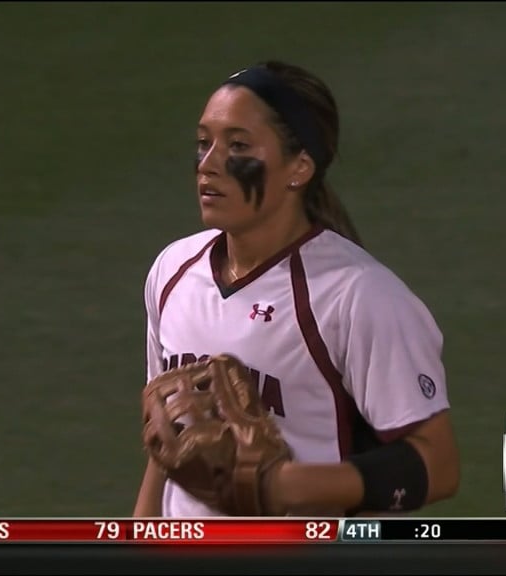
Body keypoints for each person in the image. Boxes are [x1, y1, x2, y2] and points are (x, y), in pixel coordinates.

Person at [133, 60, 460, 517]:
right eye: (204, 143)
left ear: (299, 167)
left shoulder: (356, 296)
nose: (208, 165)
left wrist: (283, 487)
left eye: (238, 146)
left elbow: (438, 465)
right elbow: (168, 442)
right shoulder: (173, 272)